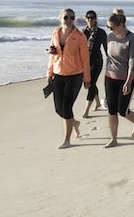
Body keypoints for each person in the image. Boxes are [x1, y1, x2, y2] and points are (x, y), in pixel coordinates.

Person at [46, 8, 90, 149]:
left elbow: (85, 58)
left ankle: (67, 140)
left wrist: (87, 78)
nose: (69, 20)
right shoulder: (55, 34)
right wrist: (49, 73)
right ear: (61, 18)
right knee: (59, 109)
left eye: (72, 17)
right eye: (66, 17)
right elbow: (52, 54)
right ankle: (74, 123)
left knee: (66, 107)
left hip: (75, 75)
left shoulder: (80, 36)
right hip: (58, 74)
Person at [103, 8, 134, 148]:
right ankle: (114, 139)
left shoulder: (131, 39)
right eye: (108, 27)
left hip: (126, 79)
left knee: (123, 110)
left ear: (120, 25)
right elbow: (108, 57)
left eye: (111, 27)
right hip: (110, 77)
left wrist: (128, 82)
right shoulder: (110, 37)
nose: (110, 29)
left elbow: (133, 62)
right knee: (111, 109)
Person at [82, 10, 108, 118]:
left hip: (97, 62)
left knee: (91, 83)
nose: (90, 20)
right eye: (88, 18)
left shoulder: (101, 33)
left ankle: (86, 110)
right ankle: (97, 102)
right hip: (86, 63)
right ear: (85, 19)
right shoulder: (83, 33)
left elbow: (106, 49)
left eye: (92, 18)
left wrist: (112, 62)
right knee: (90, 84)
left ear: (96, 19)